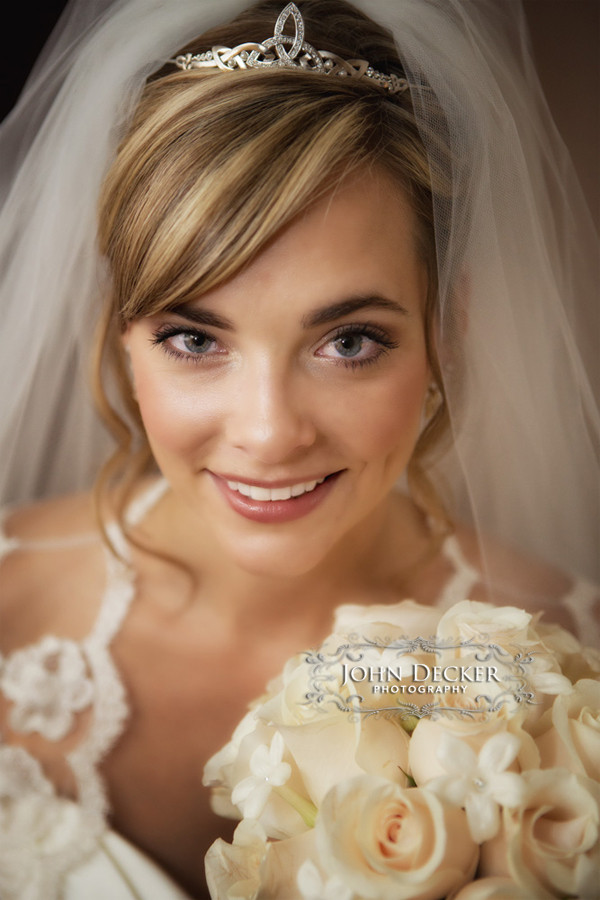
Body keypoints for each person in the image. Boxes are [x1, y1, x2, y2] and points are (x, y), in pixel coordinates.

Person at [0, 0, 598, 897]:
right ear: (120, 337)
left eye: (349, 342)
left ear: (446, 332)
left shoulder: (572, 681)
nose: (270, 431)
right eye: (194, 339)